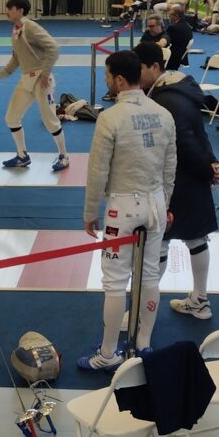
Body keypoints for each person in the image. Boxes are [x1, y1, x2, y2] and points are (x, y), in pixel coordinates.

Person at [78, 51, 176, 370]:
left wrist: (90, 211)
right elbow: (170, 167)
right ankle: (143, 345)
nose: (107, 81)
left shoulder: (110, 118)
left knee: (115, 282)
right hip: (155, 204)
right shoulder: (163, 114)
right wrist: (166, 203)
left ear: (119, 80)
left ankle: (108, 354)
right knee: (149, 275)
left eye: (108, 76)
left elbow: (97, 171)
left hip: (122, 209)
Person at [134, 41, 219, 321]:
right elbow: (199, 134)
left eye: (139, 68)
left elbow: (185, 141)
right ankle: (200, 300)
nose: (136, 75)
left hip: (177, 179)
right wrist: (210, 164)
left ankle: (141, 314)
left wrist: (207, 169)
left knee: (160, 241)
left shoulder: (166, 100)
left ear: (154, 67)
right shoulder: (178, 88)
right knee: (195, 237)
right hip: (190, 175)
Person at [0, 0, 69, 172]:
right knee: (11, 118)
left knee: (50, 121)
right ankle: (22, 156)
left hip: (41, 81)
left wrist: (45, 72)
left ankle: (64, 156)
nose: (7, 12)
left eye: (10, 9)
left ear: (20, 11)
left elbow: (53, 47)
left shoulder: (30, 27)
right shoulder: (16, 31)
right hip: (26, 80)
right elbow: (16, 60)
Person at [166, 4, 193, 70]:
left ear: (176, 16)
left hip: (173, 57)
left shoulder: (173, 27)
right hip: (183, 56)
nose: (168, 16)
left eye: (170, 14)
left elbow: (166, 41)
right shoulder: (188, 26)